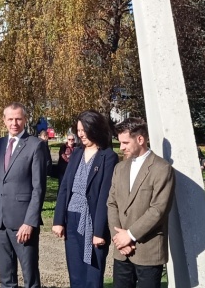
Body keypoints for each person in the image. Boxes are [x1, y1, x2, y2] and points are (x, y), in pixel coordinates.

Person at [0, 102, 47, 288]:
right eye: (10, 119)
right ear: (4, 121)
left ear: (25, 119)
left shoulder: (36, 146)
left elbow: (39, 189)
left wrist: (29, 222)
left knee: (30, 278)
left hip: (22, 223)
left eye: (18, 118)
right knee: (5, 278)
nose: (14, 123)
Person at [52, 111, 118, 288]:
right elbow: (65, 187)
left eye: (84, 130)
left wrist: (99, 232)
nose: (80, 134)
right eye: (78, 130)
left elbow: (105, 195)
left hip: (93, 220)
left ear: (95, 129)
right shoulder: (76, 154)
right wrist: (58, 220)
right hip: (71, 219)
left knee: (92, 276)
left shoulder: (108, 156)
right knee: (75, 274)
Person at [107, 117, 174, 288]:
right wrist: (119, 239)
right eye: (120, 142)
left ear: (140, 139)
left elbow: (158, 210)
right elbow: (112, 203)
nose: (121, 147)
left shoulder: (161, 168)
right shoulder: (119, 168)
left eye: (125, 143)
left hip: (148, 251)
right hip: (122, 252)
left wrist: (129, 236)